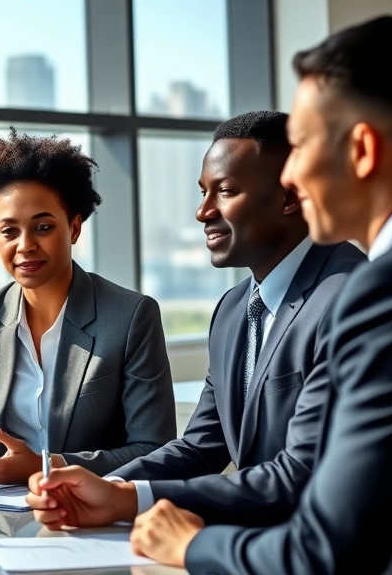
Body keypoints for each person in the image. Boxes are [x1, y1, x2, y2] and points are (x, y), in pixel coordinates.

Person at [43, 16, 392, 573]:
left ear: (363, 149)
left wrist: (189, 546)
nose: (294, 173)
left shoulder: (378, 287)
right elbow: (206, 443)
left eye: (303, 146)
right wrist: (115, 490)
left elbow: (321, 528)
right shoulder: (234, 309)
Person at [24, 111, 365, 529]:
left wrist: (127, 500)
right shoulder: (234, 310)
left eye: (225, 191)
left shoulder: (352, 296)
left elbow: (302, 473)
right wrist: (101, 486)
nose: (203, 212)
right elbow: (203, 448)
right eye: (203, 192)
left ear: (291, 196)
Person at [0, 130, 177, 484]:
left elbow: (153, 449)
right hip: (0, 515)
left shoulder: (128, 316)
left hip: (94, 509)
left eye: (43, 227)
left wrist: (47, 465)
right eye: (9, 231)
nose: (25, 245)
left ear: (74, 228)